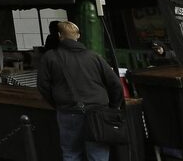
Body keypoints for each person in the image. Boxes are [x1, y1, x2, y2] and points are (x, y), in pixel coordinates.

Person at [37, 21, 123, 161]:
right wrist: (113, 106)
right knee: (98, 155)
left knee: (71, 153)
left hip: (68, 111)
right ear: (78, 36)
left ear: (59, 36)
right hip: (98, 111)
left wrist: (58, 102)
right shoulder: (94, 57)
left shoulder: (50, 57)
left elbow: (43, 86)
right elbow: (115, 84)